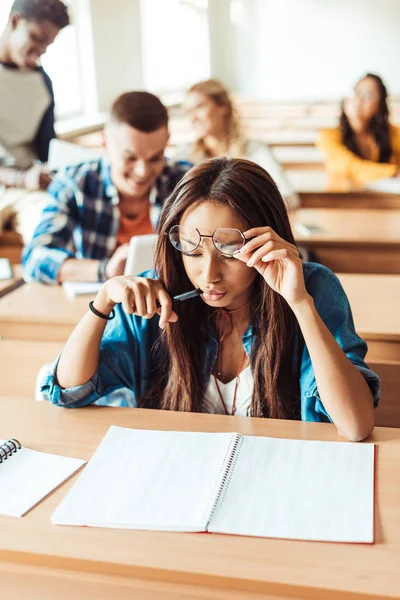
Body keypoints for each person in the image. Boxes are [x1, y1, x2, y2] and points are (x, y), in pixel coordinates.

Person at [41, 158, 379, 442]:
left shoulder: (312, 288)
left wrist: (300, 303)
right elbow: (70, 390)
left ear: (266, 238)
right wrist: (102, 304)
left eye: (230, 252)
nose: (209, 274)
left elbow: (355, 425)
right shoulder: (154, 296)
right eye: (192, 249)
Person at [22, 91, 191, 284]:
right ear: (105, 143)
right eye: (130, 157)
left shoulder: (186, 181)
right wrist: (105, 270)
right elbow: (34, 258)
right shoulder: (74, 182)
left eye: (155, 158)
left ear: (166, 141)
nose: (143, 171)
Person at [0, 0, 70, 240]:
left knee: (54, 231)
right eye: (38, 38)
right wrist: (19, 177)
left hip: (27, 193)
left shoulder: (42, 84)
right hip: (16, 180)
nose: (41, 50)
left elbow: (47, 148)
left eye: (48, 43)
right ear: (15, 21)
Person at [172, 79, 299, 208]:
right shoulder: (183, 154)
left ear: (223, 106)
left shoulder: (255, 150)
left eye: (199, 107)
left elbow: (288, 198)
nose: (193, 118)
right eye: (188, 111)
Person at [317, 73, 400, 185]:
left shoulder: (394, 134)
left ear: (379, 106)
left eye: (368, 95)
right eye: (356, 92)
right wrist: (393, 172)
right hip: (342, 201)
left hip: (385, 200)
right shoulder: (328, 136)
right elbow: (351, 168)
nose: (358, 99)